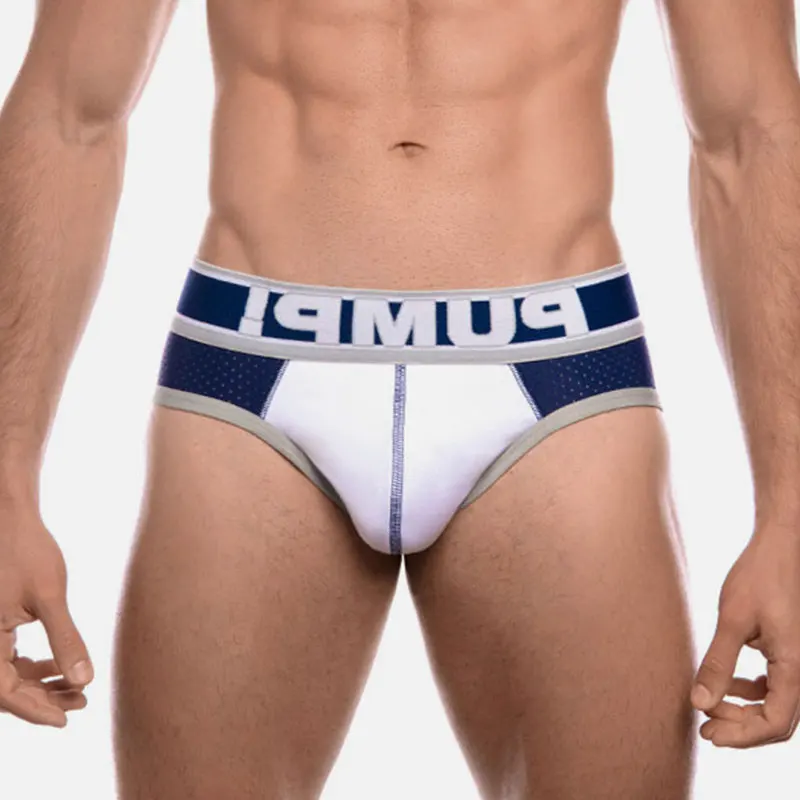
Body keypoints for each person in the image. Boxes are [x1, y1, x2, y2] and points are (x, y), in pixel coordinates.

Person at [1, 0, 799, 797]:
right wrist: (5, 487)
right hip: (252, 366)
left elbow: (750, 128)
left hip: (558, 370)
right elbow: (70, 111)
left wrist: (790, 513)